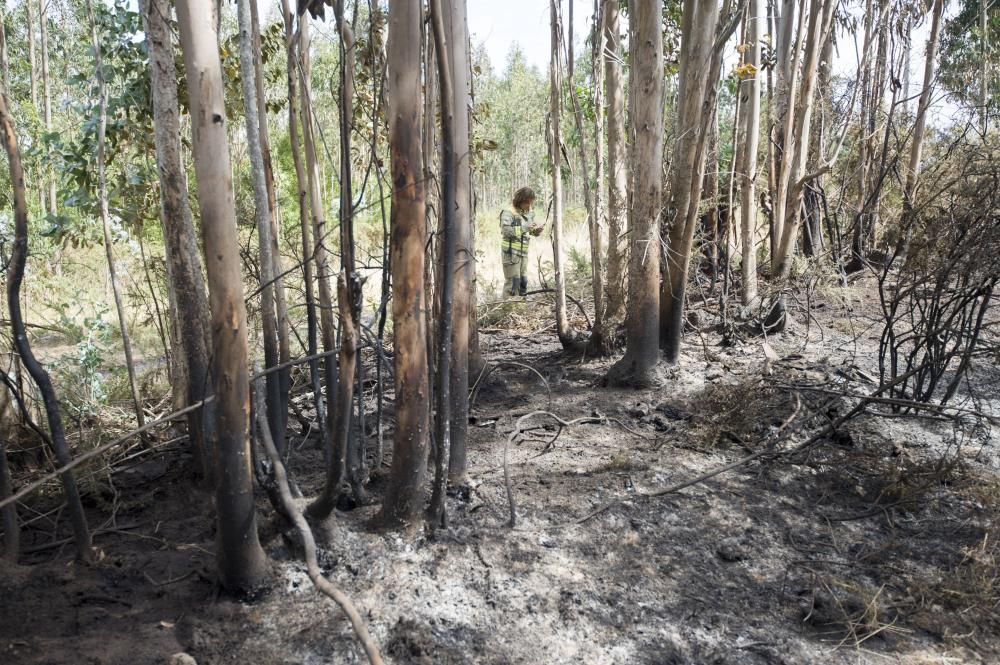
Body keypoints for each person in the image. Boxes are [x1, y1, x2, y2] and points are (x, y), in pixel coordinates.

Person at [500, 186, 543, 297]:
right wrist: (525, 227)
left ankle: (520, 309)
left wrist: (536, 231)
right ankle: (509, 309)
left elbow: (529, 231)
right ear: (520, 200)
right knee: (513, 285)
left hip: (523, 255)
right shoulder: (508, 213)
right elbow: (506, 231)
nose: (529, 205)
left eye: (530, 203)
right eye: (527, 203)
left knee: (523, 282)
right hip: (511, 255)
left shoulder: (528, 213)